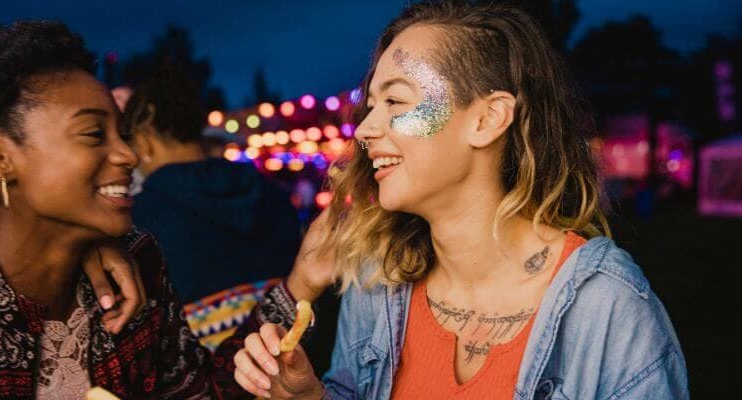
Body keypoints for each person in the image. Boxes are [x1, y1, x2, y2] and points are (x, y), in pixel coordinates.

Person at [233, 2, 689, 399]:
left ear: (488, 119)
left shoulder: (608, 308)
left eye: (395, 100)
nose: (367, 129)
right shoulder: (378, 282)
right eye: (370, 105)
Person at [0, 21, 304, 399]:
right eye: (94, 134)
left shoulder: (136, 258)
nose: (129, 154)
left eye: (121, 132)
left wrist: (301, 283)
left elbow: (193, 392)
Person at [121, 66, 302, 347]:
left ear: (144, 135)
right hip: (289, 356)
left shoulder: (140, 218)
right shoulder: (268, 191)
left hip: (205, 381)